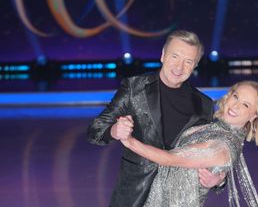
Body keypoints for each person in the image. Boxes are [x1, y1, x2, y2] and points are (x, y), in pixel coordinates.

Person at [87, 30, 225, 207]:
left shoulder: (203, 105)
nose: (179, 66)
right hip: (136, 196)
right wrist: (114, 130)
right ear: (162, 55)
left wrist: (219, 179)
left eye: (188, 61)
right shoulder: (134, 88)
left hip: (179, 198)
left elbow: (211, 155)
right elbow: (94, 130)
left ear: (195, 66)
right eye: (175, 56)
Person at [120, 80, 258, 207]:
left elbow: (169, 159)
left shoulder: (222, 145)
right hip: (152, 195)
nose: (235, 105)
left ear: (254, 115)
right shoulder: (214, 124)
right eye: (236, 96)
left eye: (246, 105)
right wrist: (220, 180)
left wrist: (129, 141)